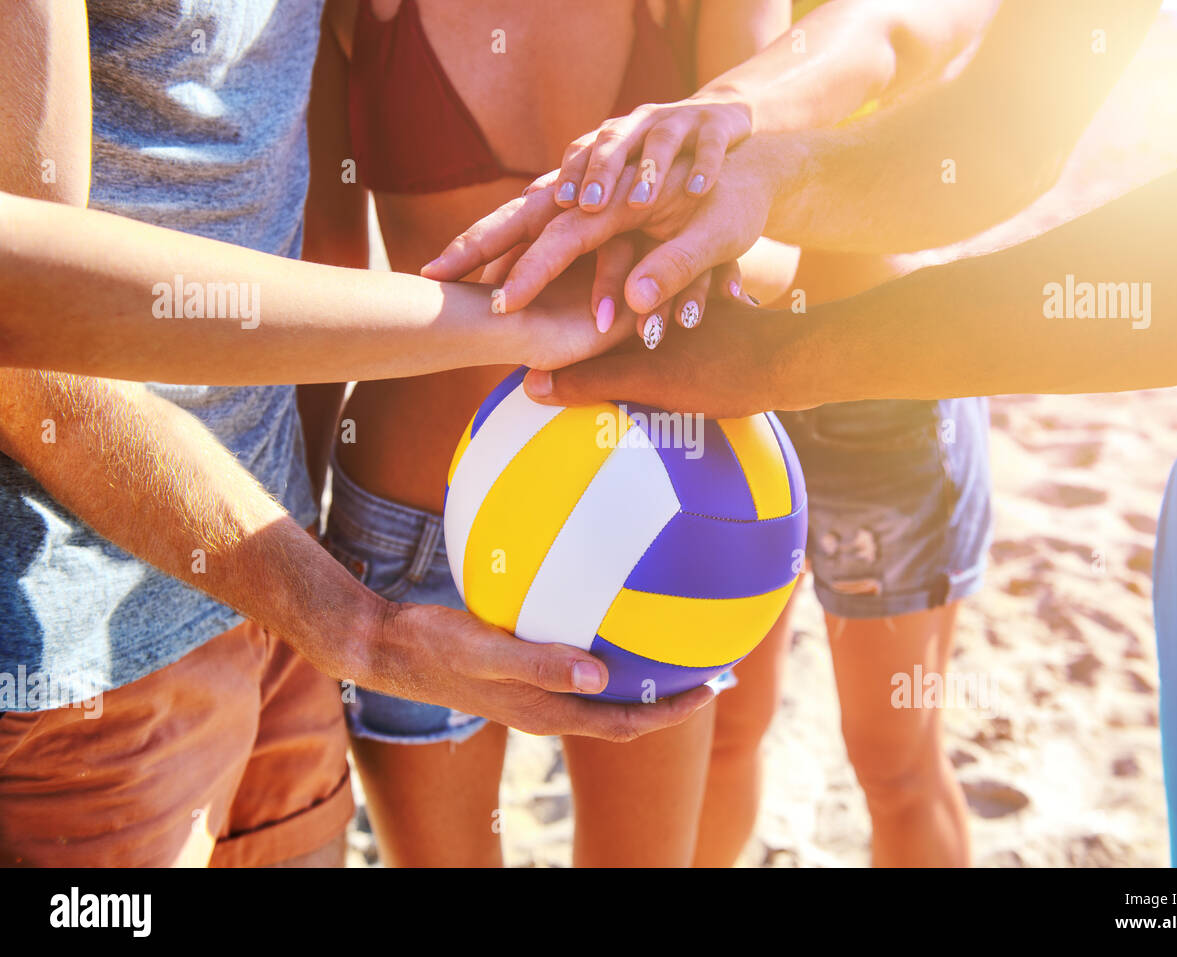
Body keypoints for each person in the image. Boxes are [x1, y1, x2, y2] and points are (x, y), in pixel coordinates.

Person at [428, 0, 1177, 865]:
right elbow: (1008, 123)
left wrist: (780, 350)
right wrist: (742, 159)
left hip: (875, 400)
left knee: (895, 761)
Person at [0, 0, 710, 869]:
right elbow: (23, 312)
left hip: (286, 567)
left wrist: (310, 567)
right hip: (122, 622)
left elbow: (306, 234)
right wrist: (516, 318)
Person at [298, 0, 790, 867]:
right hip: (413, 531)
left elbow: (780, 238)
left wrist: (629, 261)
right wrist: (290, 540)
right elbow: (319, 277)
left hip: (657, 524)